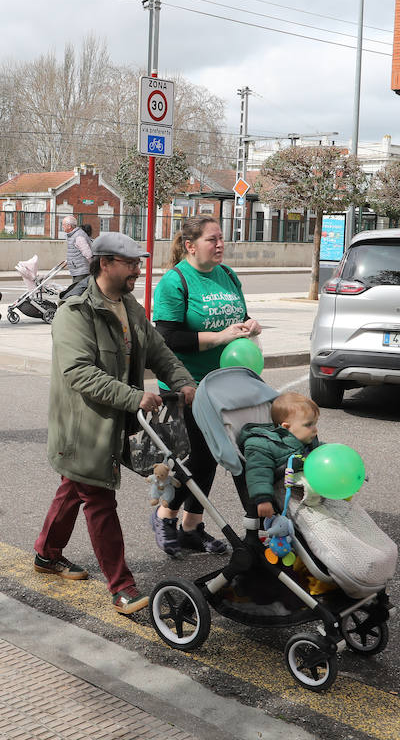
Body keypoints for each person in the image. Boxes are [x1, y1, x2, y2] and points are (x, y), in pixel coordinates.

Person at [33, 232, 196, 616]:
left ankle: (46, 553)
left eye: (139, 263)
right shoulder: (76, 310)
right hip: (84, 427)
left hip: (114, 421)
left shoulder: (128, 304)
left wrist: (184, 381)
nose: (138, 271)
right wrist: (133, 397)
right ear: (105, 263)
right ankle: (122, 586)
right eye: (131, 264)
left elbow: (157, 348)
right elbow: (79, 372)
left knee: (74, 487)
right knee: (99, 500)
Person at [150, 216, 260, 557]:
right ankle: (165, 514)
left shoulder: (227, 275)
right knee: (196, 459)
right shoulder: (175, 281)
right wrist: (220, 337)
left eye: (221, 238)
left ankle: (191, 527)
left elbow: (236, 317)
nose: (220, 244)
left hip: (227, 382)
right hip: (187, 385)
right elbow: (167, 338)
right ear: (190, 245)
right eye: (213, 239)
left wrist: (248, 326)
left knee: (215, 457)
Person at [238, 392, 321, 521]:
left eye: (315, 423)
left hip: (313, 487)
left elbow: (324, 453)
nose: (315, 430)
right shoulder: (262, 445)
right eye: (309, 424)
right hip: (287, 493)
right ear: (287, 427)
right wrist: (263, 499)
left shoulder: (308, 441)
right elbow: (259, 472)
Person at [59, 215, 93, 299]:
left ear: (69, 226)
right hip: (78, 269)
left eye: (63, 224)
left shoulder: (78, 236)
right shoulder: (73, 235)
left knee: (77, 294)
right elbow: (76, 252)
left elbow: (88, 253)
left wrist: (93, 267)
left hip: (82, 270)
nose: (62, 226)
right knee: (78, 292)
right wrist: (68, 261)